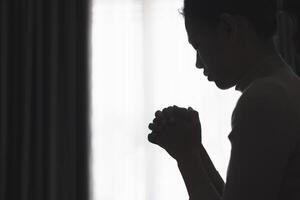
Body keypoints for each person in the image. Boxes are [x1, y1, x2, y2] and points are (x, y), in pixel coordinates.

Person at [147, 0, 300, 199]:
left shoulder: (263, 100)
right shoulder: (287, 86)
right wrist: (195, 150)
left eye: (198, 45)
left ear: (228, 28)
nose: (198, 63)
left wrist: (187, 159)